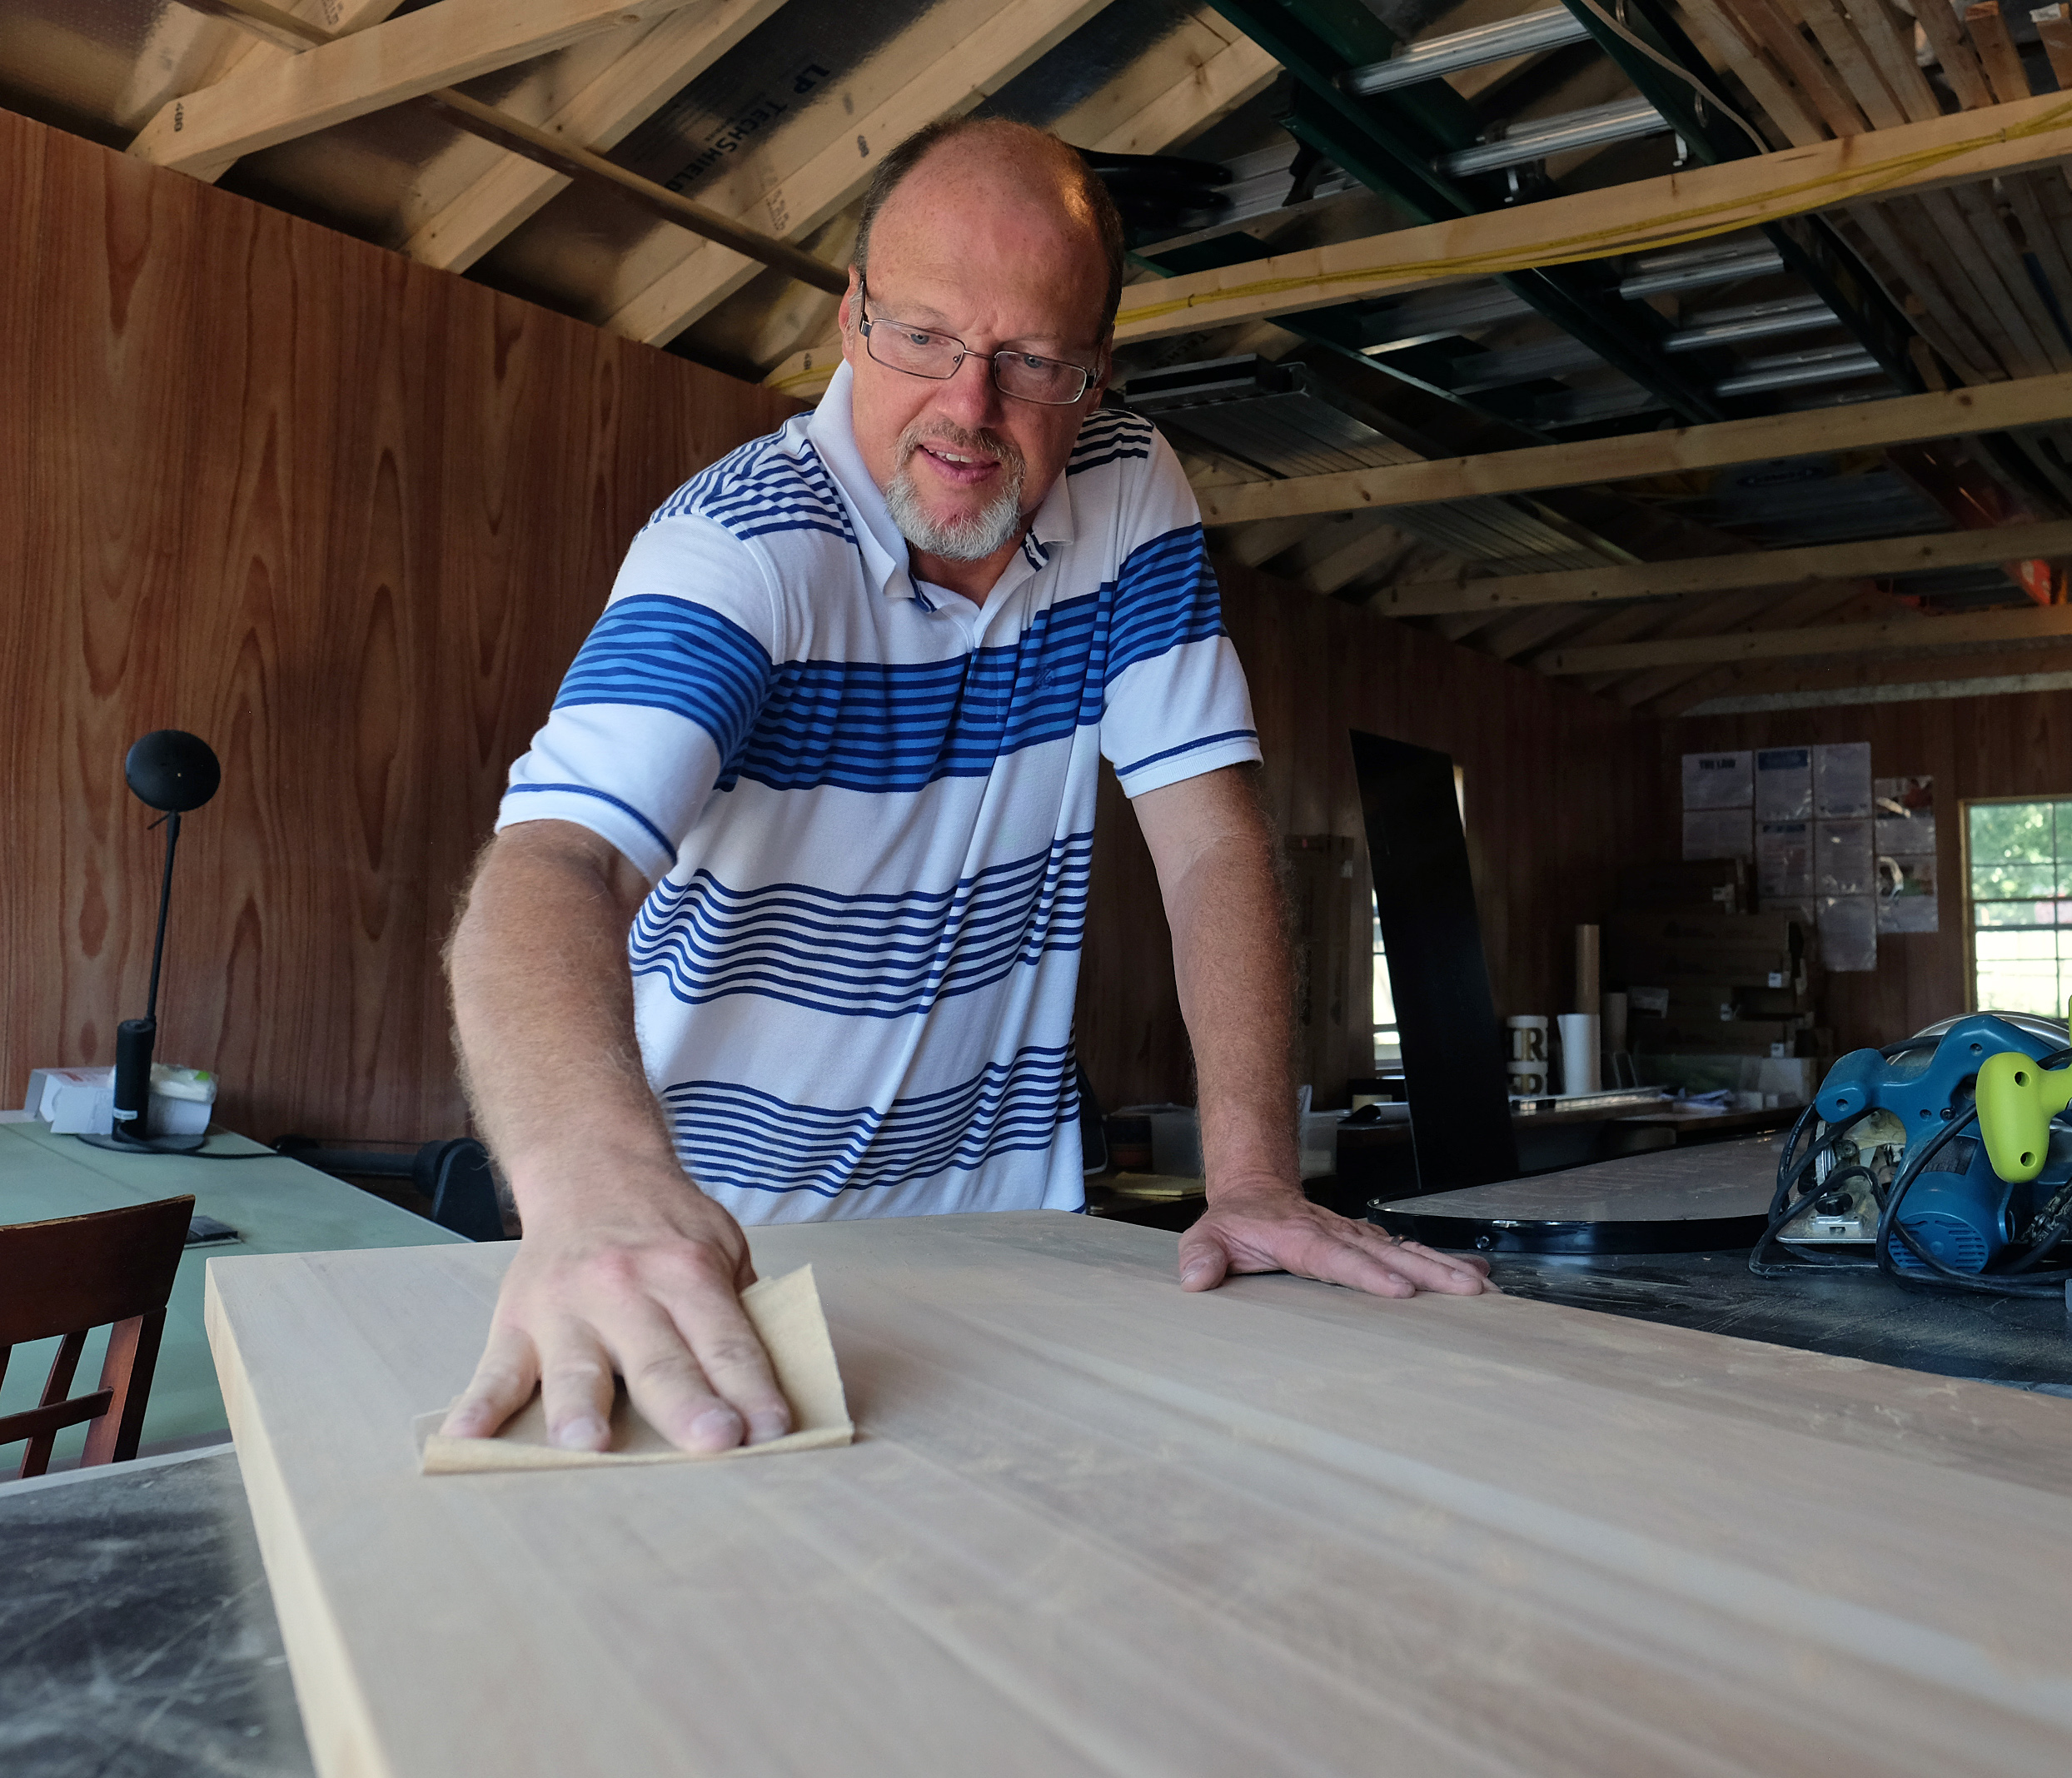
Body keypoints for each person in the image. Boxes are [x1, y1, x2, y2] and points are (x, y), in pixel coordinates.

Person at [439, 118, 1491, 1457]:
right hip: (717, 1267)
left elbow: (1211, 847)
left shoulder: (1128, 493)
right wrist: (592, 1190)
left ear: (1097, 372)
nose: (967, 407)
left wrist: (1255, 1180)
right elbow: (553, 867)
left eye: (1029, 361)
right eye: (922, 336)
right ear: (849, 319)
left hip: (1016, 1247)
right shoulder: (740, 551)